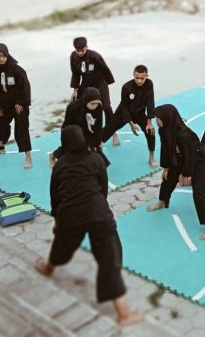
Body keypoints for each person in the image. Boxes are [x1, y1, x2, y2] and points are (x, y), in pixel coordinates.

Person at [34, 126, 145, 327]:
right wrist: (97, 206)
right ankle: (123, 314)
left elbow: (55, 197)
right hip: (98, 214)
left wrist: (57, 220)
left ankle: (48, 267)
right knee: (109, 259)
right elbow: (103, 188)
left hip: (70, 215)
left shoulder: (60, 165)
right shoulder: (95, 159)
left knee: (63, 243)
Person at [147, 104, 205, 241]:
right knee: (168, 179)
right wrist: (166, 167)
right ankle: (162, 201)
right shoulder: (164, 130)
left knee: (199, 193)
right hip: (181, 158)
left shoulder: (183, 135)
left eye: (158, 118)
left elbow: (190, 156)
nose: (157, 120)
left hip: (199, 162)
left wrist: (186, 174)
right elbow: (165, 149)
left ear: (167, 118)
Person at [0, 43, 33, 168]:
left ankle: (28, 156)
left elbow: (25, 87)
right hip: (4, 105)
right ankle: (1, 147)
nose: (1, 59)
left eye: (3, 56)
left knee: (22, 129)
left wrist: (20, 103)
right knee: (0, 125)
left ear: (7, 55)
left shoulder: (16, 69)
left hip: (19, 105)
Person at [104, 65, 158, 167]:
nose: (139, 81)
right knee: (108, 129)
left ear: (147, 76)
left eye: (142, 78)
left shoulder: (149, 84)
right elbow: (124, 107)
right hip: (123, 112)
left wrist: (149, 122)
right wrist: (131, 124)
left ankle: (151, 158)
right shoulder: (126, 87)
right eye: (137, 77)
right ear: (133, 75)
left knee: (151, 132)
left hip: (139, 113)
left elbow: (150, 102)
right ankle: (113, 135)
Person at [70, 36, 116, 142]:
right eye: (78, 51)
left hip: (100, 83)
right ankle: (83, 131)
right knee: (77, 105)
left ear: (86, 47)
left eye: (82, 50)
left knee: (106, 107)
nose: (80, 53)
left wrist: (106, 86)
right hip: (86, 85)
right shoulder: (73, 57)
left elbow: (105, 69)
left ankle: (112, 132)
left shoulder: (95, 56)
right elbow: (76, 74)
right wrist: (75, 90)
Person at [53, 88, 108, 166]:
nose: (95, 106)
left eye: (96, 103)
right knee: (71, 149)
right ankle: (53, 155)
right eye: (92, 104)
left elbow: (98, 126)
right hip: (72, 130)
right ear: (86, 101)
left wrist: (98, 142)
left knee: (97, 154)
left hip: (88, 131)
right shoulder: (72, 107)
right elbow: (68, 126)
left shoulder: (98, 107)